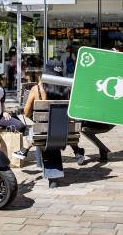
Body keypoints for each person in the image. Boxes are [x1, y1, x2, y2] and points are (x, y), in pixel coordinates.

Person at [21, 59, 86, 187]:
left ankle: (53, 176)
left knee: (44, 130)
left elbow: (26, 113)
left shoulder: (37, 89)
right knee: (53, 128)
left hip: (43, 135)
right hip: (67, 134)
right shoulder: (68, 89)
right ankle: (77, 152)